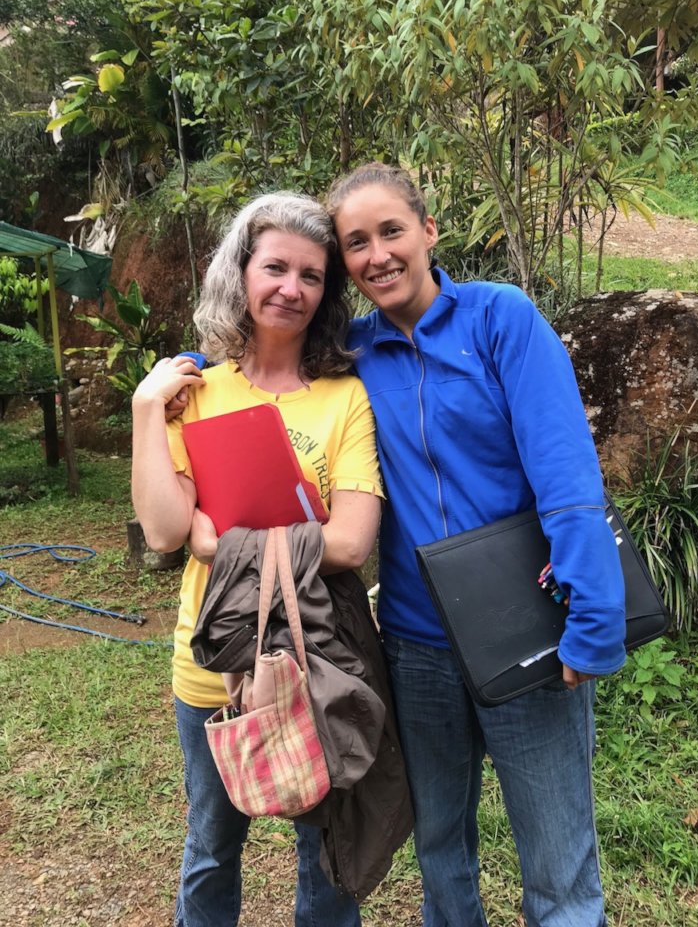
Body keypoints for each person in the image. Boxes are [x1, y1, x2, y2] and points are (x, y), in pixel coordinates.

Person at [322, 163, 626, 927]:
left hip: (527, 632)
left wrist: (595, 621)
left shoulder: (499, 319)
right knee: (441, 856)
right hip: (417, 646)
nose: (377, 254)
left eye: (391, 230)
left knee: (559, 868)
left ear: (428, 230)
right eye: (355, 242)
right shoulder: (351, 359)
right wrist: (184, 376)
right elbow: (266, 377)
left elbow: (566, 475)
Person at [132, 192, 383, 927]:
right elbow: (164, 530)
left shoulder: (344, 398)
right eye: (275, 267)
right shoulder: (196, 392)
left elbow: (351, 543)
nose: (291, 289)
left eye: (311, 276)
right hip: (214, 656)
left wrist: (224, 542)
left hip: (320, 659)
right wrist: (150, 409)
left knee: (326, 852)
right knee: (212, 844)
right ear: (240, 273)